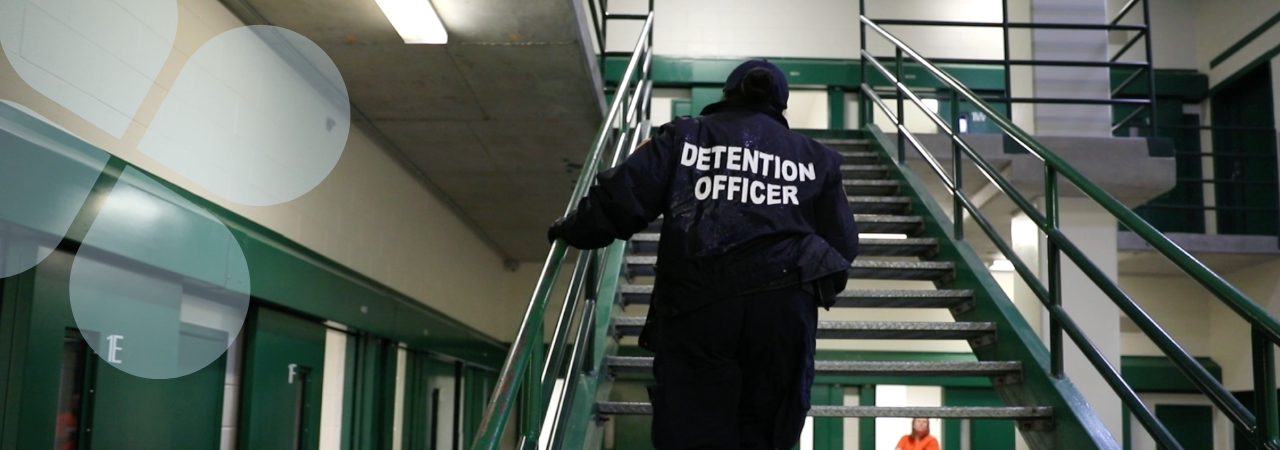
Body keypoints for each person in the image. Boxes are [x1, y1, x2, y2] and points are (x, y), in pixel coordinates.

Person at [547, 59, 859, 449]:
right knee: (769, 427)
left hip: (698, 304)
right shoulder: (817, 159)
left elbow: (621, 198)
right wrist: (805, 284)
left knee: (691, 424)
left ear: (726, 93)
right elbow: (843, 244)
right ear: (781, 103)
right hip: (782, 307)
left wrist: (571, 228)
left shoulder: (684, 136)